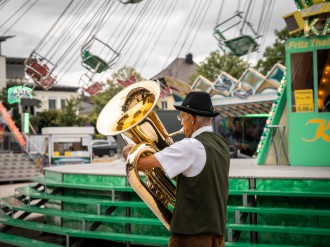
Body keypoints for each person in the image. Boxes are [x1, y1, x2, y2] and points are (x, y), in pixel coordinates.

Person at [123, 91, 230, 247]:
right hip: (217, 235)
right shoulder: (222, 144)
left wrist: (129, 152)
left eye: (182, 117)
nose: (181, 123)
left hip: (191, 237)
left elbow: (140, 164)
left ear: (192, 119)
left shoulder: (191, 146)